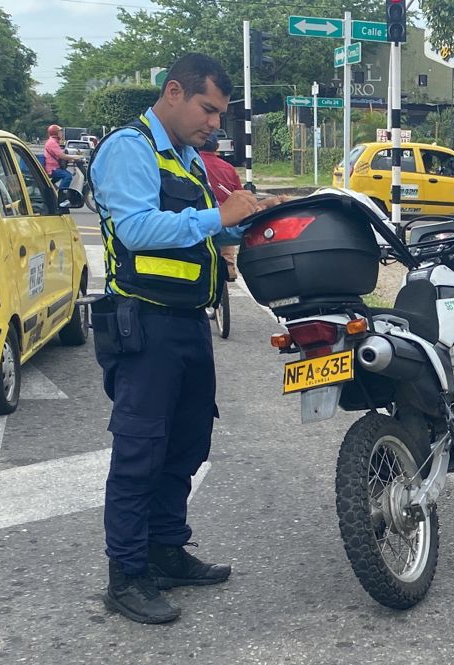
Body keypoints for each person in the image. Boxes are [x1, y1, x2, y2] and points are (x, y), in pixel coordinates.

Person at [89, 53, 276, 625]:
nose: (214, 122)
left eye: (220, 113)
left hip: (189, 323)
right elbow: (137, 227)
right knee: (140, 452)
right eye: (208, 109)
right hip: (143, 324)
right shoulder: (130, 149)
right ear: (174, 92)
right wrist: (218, 219)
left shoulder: (190, 161)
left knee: (187, 443)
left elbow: (205, 230)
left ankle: (166, 550)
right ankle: (127, 574)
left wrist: (259, 217)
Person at [199, 131, 244, 295]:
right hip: (227, 218)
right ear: (217, 146)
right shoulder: (228, 168)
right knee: (227, 247)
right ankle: (229, 267)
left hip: (203, 215)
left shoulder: (193, 165)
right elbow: (240, 193)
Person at [44, 125, 81, 194]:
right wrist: (74, 157)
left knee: (54, 180)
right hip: (52, 168)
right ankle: (61, 195)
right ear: (55, 133)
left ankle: (47, 188)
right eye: (60, 132)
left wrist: (71, 159)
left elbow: (58, 156)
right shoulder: (52, 143)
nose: (62, 133)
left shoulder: (55, 142)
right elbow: (61, 155)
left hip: (55, 167)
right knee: (68, 176)